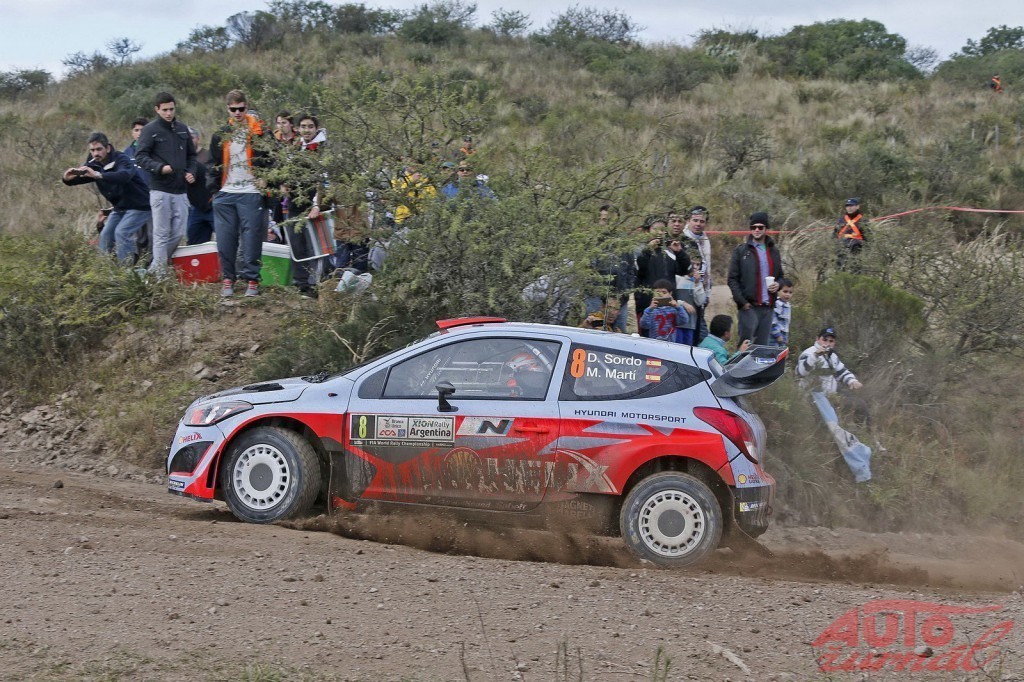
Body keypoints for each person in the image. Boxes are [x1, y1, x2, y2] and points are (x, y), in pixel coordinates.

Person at [210, 89, 270, 297]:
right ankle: (228, 278)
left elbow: (272, 158)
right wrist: (214, 191)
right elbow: (213, 164)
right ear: (228, 109)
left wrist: (266, 178)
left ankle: (252, 280)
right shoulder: (221, 133)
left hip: (251, 191)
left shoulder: (260, 131)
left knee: (252, 237)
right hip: (226, 192)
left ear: (247, 107)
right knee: (225, 239)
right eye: (233, 109)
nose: (237, 113)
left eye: (241, 108)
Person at [796, 327, 872, 483]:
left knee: (860, 405)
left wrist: (852, 381)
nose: (827, 343)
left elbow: (841, 371)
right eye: (825, 339)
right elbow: (800, 372)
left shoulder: (832, 356)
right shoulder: (809, 353)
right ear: (818, 339)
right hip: (813, 398)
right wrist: (815, 356)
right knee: (833, 428)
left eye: (831, 341)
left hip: (831, 395)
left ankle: (868, 437)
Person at [62, 132, 151, 263]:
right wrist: (67, 178)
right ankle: (105, 270)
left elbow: (124, 175)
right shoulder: (94, 163)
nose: (96, 153)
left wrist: (99, 175)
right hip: (120, 207)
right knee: (106, 236)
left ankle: (127, 271)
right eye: (92, 150)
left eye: (99, 149)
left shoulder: (122, 159)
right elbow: (83, 177)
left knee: (122, 233)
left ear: (108, 148)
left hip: (140, 205)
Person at [134, 91, 197, 276]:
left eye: (171, 109)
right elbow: (140, 157)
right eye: (165, 110)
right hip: (160, 190)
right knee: (161, 234)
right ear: (157, 109)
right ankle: (160, 277)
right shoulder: (150, 130)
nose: (169, 113)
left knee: (178, 233)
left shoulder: (183, 129)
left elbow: (191, 156)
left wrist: (191, 172)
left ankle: (153, 269)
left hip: (181, 190)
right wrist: (160, 168)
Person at [286, 113, 331, 296]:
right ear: (297, 128)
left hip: (314, 205)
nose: (307, 130)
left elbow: (325, 180)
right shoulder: (295, 148)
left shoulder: (323, 149)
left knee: (317, 247)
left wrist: (317, 205)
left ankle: (317, 284)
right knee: (297, 244)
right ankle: (301, 284)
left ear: (316, 128)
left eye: (310, 126)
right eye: (303, 126)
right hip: (295, 203)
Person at [727, 211, 783, 347]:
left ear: (766, 228)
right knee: (745, 347)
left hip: (768, 307)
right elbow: (732, 279)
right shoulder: (741, 251)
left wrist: (778, 284)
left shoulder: (774, 251)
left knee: (762, 348)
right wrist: (742, 302)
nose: (756, 230)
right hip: (749, 307)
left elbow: (781, 276)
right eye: (753, 227)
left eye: (760, 227)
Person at [636, 215, 691, 337]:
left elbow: (685, 270)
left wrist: (680, 252)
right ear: (647, 231)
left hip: (668, 306)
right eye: (655, 229)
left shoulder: (669, 251)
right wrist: (648, 250)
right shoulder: (640, 249)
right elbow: (639, 269)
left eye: (662, 229)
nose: (659, 233)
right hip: (648, 306)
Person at [680, 205, 712, 342]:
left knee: (699, 332)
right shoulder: (683, 240)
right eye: (695, 220)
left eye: (702, 221)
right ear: (688, 221)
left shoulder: (705, 239)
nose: (698, 224)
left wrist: (707, 293)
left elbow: (708, 268)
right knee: (694, 335)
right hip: (686, 294)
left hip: (700, 292)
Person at [185, 126, 216, 245]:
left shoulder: (208, 155)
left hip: (213, 204)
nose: (189, 141)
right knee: (194, 242)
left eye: (191, 137)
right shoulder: (182, 159)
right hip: (195, 207)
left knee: (225, 240)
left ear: (198, 138)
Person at [674, 257, 706, 345]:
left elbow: (700, 302)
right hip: (677, 323)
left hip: (691, 324)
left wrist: (697, 283)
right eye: (693, 264)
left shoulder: (699, 283)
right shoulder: (678, 279)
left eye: (698, 264)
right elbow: (671, 298)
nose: (695, 267)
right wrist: (683, 303)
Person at [834, 197, 868, 268]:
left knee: (855, 269)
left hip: (856, 251)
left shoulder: (863, 221)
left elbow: (869, 238)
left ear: (857, 206)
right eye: (847, 206)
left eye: (851, 205)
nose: (849, 208)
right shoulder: (841, 220)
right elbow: (834, 235)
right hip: (841, 249)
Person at [769, 277, 793, 347]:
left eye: (790, 292)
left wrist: (786, 337)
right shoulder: (777, 304)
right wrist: (777, 335)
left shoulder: (788, 305)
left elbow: (786, 323)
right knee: (773, 352)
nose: (788, 294)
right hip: (773, 337)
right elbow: (772, 321)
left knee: (782, 352)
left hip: (783, 336)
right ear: (778, 291)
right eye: (785, 291)